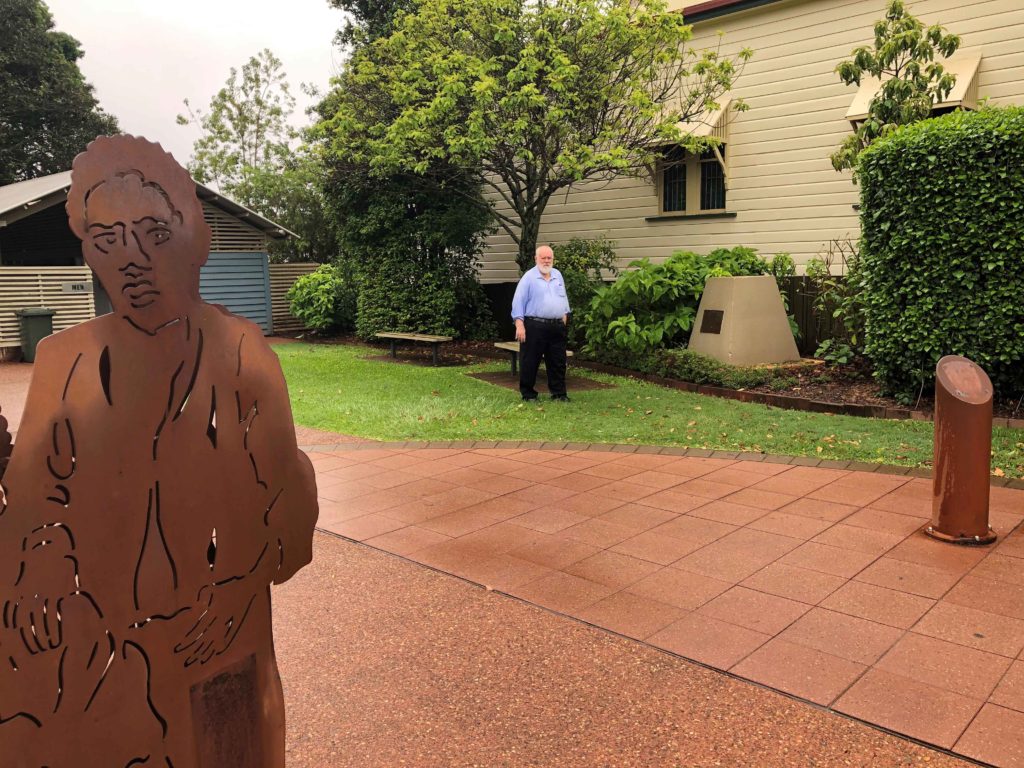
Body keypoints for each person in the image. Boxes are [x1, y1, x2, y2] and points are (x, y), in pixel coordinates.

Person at [0, 135, 318, 767]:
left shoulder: (240, 355)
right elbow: (35, 500)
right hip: (95, 656)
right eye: (107, 239)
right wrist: (40, 557)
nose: (133, 259)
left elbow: (292, 503)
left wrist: (240, 579)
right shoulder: (63, 361)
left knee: (228, 750)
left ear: (190, 235)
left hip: (213, 644)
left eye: (151, 230)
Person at [511, 245, 571, 401]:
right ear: (536, 259)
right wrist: (519, 325)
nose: (546, 261)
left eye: (549, 258)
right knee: (530, 360)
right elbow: (518, 301)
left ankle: (559, 394)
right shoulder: (529, 277)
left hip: (557, 326)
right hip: (534, 325)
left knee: (558, 361)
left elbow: (563, 297)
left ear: (553, 259)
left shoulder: (558, 275)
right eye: (543, 258)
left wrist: (565, 314)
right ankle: (528, 393)